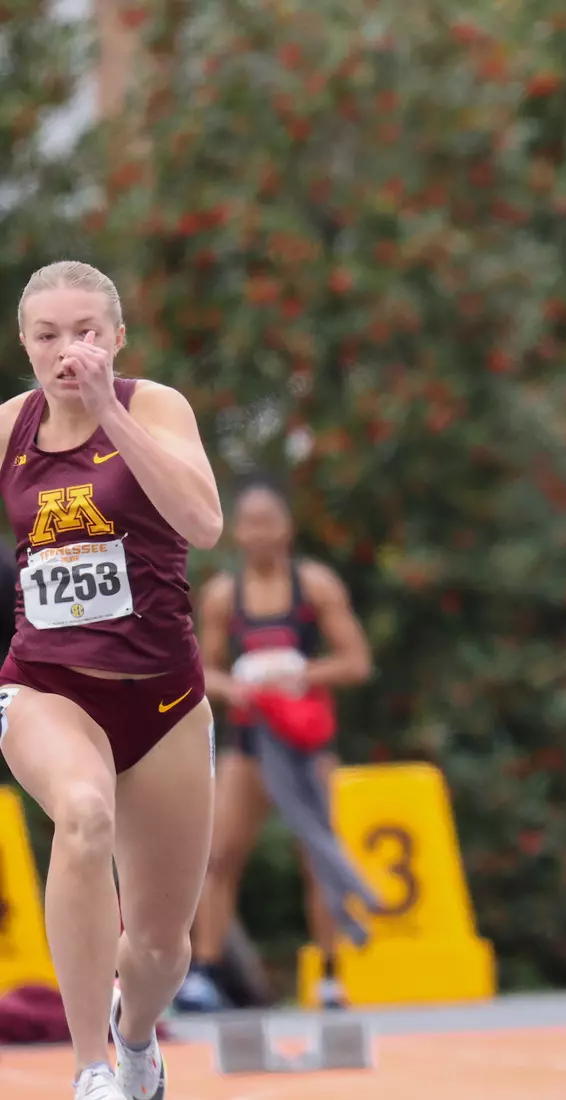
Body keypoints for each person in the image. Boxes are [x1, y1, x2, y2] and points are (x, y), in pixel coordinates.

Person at [3, 260, 223, 1100]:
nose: (70, 352)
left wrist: (106, 416)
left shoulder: (154, 407)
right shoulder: (8, 429)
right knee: (84, 817)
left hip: (165, 701)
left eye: (87, 332)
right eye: (49, 336)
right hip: (47, 687)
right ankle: (91, 1068)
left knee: (164, 950)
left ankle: (136, 1038)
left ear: (118, 337)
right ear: (25, 345)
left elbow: (204, 523)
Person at [180, 476, 374, 1013]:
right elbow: (201, 671)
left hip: (306, 743)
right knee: (219, 854)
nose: (259, 534)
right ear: (237, 532)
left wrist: (300, 673)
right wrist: (237, 685)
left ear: (287, 527)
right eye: (250, 524)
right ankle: (208, 970)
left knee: (318, 854)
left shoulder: (313, 586)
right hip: (249, 744)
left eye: (269, 522)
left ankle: (332, 975)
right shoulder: (225, 595)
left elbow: (355, 661)